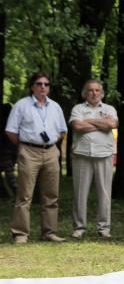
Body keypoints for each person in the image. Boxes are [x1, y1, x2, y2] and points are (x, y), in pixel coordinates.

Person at [5, 72, 68, 244]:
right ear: (32, 86)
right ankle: (21, 233)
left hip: (50, 152)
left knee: (51, 194)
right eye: (39, 84)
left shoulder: (55, 107)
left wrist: (52, 144)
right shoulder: (21, 105)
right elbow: (11, 130)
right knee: (25, 195)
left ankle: (49, 232)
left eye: (46, 84)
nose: (43, 87)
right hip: (28, 151)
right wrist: (24, 146)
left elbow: (62, 130)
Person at [69, 79, 118, 239]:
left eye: (97, 90)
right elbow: (78, 127)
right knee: (80, 193)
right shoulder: (78, 108)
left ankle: (104, 228)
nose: (94, 93)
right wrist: (102, 124)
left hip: (104, 154)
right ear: (85, 93)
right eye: (90, 90)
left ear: (102, 93)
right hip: (82, 155)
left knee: (104, 193)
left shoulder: (109, 108)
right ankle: (79, 228)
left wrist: (89, 121)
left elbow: (113, 124)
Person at [0, 104, 17, 199]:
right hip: (11, 150)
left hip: (5, 151)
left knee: (10, 173)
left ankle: (14, 192)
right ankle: (9, 193)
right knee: (10, 172)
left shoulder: (5, 123)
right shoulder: (11, 122)